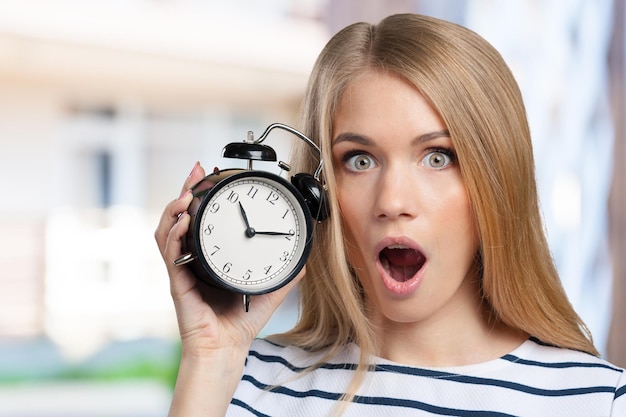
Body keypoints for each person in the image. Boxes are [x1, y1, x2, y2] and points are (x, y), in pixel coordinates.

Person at [155, 13, 625, 416]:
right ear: (321, 197)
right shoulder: (247, 383)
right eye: (360, 160)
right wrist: (211, 361)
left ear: (498, 181)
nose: (392, 201)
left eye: (438, 157)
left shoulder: (598, 402)